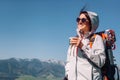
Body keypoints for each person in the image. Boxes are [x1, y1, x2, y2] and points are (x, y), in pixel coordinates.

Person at [65, 10, 106, 80]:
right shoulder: (75, 40)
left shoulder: (96, 39)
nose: (80, 22)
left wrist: (83, 47)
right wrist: (68, 75)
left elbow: (101, 62)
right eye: (78, 19)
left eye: (83, 20)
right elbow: (68, 62)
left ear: (91, 23)